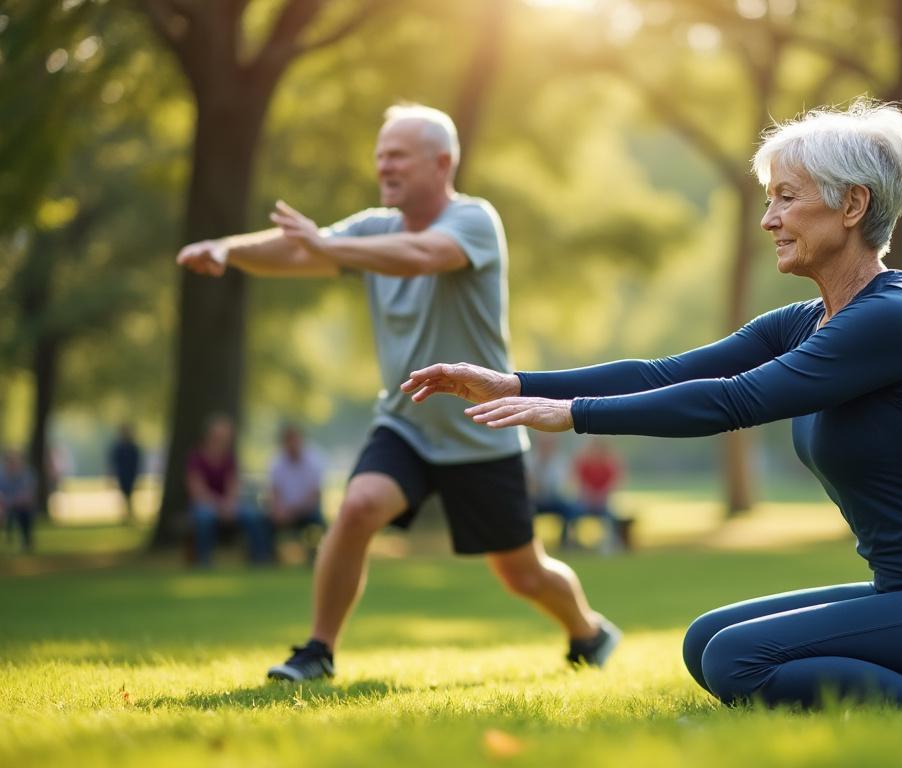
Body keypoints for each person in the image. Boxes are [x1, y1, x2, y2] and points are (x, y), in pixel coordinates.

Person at [401, 100, 902, 721]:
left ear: (852, 205)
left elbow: (736, 400)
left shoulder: (894, 321)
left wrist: (575, 415)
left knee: (740, 660)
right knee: (707, 640)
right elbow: (667, 372)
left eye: (787, 198)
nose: (768, 218)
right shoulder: (811, 320)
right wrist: (513, 381)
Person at [176, 104, 618, 682]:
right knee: (358, 507)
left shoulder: (474, 221)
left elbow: (420, 257)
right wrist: (229, 250)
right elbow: (298, 249)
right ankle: (318, 650)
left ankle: (587, 632)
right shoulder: (371, 230)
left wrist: (327, 246)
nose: (384, 165)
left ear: (442, 162)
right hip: (406, 421)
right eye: (380, 154)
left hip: (481, 427)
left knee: (522, 573)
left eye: (398, 155)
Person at [186, 415, 269, 567]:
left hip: (227, 504)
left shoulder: (229, 459)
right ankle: (203, 559)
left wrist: (229, 504)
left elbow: (233, 486)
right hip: (205, 503)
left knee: (252, 515)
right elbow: (197, 491)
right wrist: (219, 506)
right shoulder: (196, 458)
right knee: (205, 517)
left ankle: (259, 557)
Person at [266, 424, 327, 561]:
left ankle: (316, 557)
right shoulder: (276, 462)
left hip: (306, 510)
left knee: (317, 520)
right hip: (283, 512)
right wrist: (278, 510)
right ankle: (265, 557)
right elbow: (274, 492)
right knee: (262, 522)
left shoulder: (314, 460)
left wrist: (292, 511)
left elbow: (314, 495)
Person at [525, 433, 583, 549]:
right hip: (536, 500)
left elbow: (560, 484)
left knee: (573, 509)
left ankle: (566, 541)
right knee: (523, 510)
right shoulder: (530, 459)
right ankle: (527, 543)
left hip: (553, 499)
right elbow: (529, 484)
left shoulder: (559, 460)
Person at [572, 438, 623, 554]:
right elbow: (580, 483)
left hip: (602, 503)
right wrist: (590, 495)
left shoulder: (608, 465)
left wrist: (600, 496)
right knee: (573, 514)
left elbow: (613, 484)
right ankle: (573, 545)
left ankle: (611, 545)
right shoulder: (584, 463)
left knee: (611, 518)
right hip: (585, 502)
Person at [0, 448, 37, 553]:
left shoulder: (27, 474)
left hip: (20, 506)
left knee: (25, 511)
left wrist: (12, 502)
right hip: (4, 505)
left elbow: (28, 495)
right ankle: (9, 537)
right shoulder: (1, 475)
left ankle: (26, 540)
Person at [108, 423, 142, 525]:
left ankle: (128, 515)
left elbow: (136, 462)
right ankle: (127, 515)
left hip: (130, 474)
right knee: (125, 495)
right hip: (122, 474)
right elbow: (114, 462)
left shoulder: (132, 447)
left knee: (129, 495)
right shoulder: (119, 447)